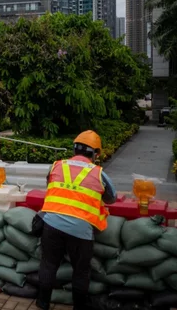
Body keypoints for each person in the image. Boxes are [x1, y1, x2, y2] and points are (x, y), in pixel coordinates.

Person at [36, 130, 117, 310]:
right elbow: (111, 198)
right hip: (81, 230)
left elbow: (51, 185)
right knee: (81, 271)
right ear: (95, 153)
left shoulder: (56, 165)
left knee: (48, 263)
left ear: (74, 150)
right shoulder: (99, 173)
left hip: (51, 224)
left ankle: (42, 302)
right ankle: (79, 306)